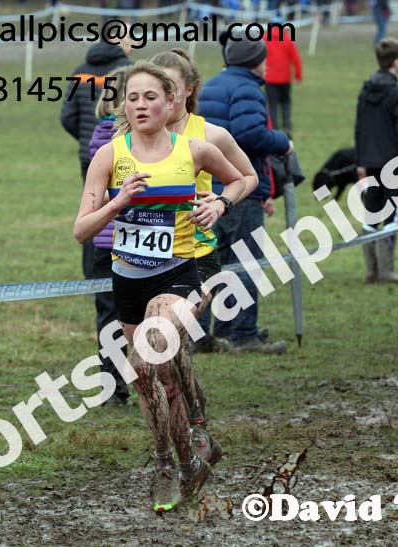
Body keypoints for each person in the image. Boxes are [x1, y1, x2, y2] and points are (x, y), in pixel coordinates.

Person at [74, 62, 248, 511]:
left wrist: (220, 203)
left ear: (171, 101)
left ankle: (164, 466)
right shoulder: (110, 155)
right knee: (154, 378)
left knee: (145, 360)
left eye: (149, 97)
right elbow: (81, 230)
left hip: (180, 273)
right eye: (132, 98)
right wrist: (118, 202)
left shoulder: (195, 149)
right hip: (128, 280)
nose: (140, 105)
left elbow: (240, 178)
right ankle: (185, 463)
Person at [149, 48, 258, 463]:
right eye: (156, 88)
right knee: (165, 354)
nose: (164, 97)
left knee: (166, 345)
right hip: (144, 261)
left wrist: (221, 203)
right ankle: (193, 419)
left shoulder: (210, 135)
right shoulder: (132, 136)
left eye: (172, 89)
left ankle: (185, 439)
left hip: (196, 257)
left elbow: (247, 177)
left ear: (190, 90)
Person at [198, 28, 293, 354]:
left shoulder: (212, 85)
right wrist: (283, 141)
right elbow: (250, 133)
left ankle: (213, 332)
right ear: (254, 61)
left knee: (216, 262)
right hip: (240, 187)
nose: (267, 65)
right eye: (263, 59)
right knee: (247, 261)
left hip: (210, 189)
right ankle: (244, 334)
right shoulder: (248, 89)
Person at [61, 36, 134, 406]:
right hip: (131, 233)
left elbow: (66, 117)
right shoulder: (136, 75)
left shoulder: (80, 71)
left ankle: (112, 384)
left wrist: (87, 140)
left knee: (108, 305)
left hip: (91, 173)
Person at [355, 37, 398, 284]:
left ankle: (372, 270)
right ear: (396, 61)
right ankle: (387, 270)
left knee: (371, 213)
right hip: (392, 163)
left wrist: (361, 161)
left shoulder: (365, 90)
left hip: (369, 161)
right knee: (392, 215)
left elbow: (360, 127)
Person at [264, 23, 303, 137]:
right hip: (285, 78)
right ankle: (287, 127)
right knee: (286, 103)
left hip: (270, 78)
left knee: (272, 105)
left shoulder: (265, 39)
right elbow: (296, 58)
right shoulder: (287, 39)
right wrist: (298, 75)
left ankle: (274, 128)